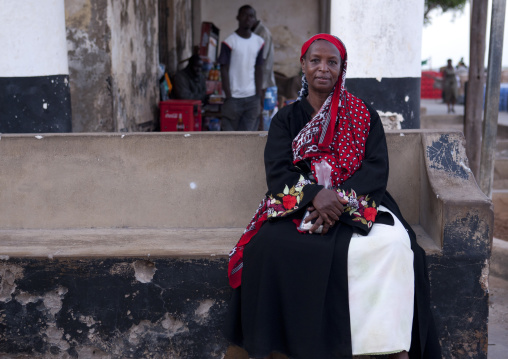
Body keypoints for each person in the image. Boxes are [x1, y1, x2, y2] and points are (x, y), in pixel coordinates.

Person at [224, 34, 442, 359]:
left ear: (342, 68)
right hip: (301, 204)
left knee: (394, 246)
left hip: (359, 202)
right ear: (303, 65)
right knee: (267, 247)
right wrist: (315, 195)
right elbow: (279, 173)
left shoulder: (363, 114)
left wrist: (335, 201)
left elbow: (375, 170)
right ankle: (281, 347)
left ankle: (389, 348)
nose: (323, 69)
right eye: (315, 61)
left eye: (332, 62)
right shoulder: (285, 119)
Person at [218, 5, 264, 131]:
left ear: (255, 20)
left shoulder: (259, 42)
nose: (248, 19)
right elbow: (224, 69)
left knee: (248, 140)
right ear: (238, 17)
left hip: (252, 99)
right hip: (233, 99)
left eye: (251, 16)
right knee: (230, 140)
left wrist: (258, 96)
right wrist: (229, 96)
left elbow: (259, 69)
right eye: (245, 15)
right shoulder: (229, 41)